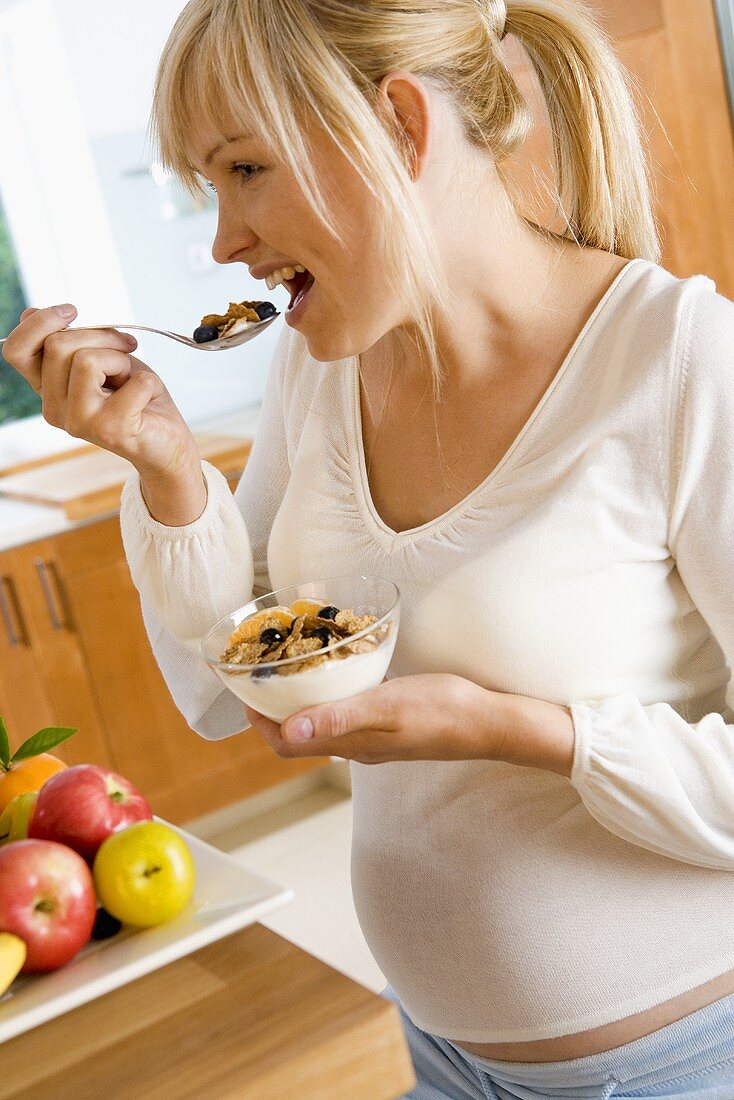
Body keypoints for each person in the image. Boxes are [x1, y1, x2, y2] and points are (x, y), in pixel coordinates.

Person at [5, 0, 734, 1095]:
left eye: (245, 168)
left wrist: (522, 732)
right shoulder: (323, 362)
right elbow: (224, 686)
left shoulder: (681, 362)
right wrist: (163, 466)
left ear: (399, 124)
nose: (221, 241)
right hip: (439, 1052)